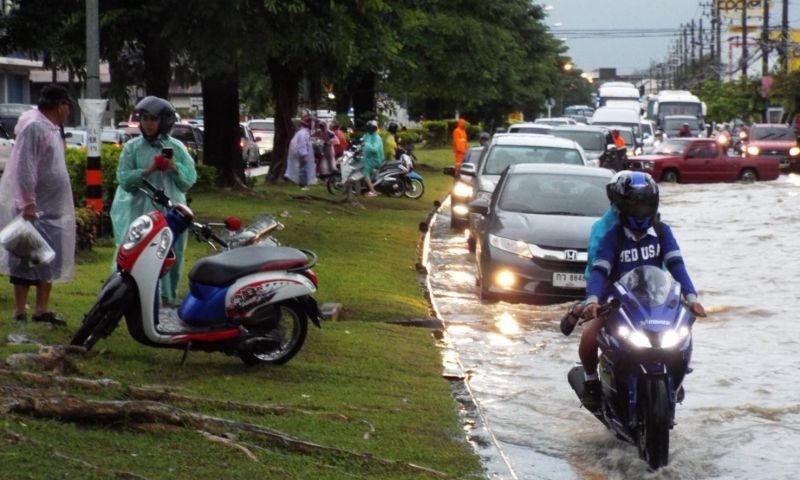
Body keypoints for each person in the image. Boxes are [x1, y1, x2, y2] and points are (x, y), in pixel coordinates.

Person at [578, 171, 706, 410]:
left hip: (654, 303)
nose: (640, 210)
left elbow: (677, 265)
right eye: (634, 205)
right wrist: (593, 300)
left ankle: (676, 379)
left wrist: (691, 297)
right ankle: (591, 381)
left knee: (683, 334)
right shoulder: (611, 237)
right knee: (589, 335)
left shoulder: (661, 232)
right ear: (622, 206)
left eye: (645, 204)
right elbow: (599, 271)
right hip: (617, 304)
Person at [110, 96, 197, 307]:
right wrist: (148, 170)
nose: (148, 124)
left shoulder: (176, 147)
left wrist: (174, 167)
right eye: (144, 119)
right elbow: (124, 179)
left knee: (171, 256)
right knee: (136, 254)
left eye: (153, 119)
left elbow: (189, 180)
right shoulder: (131, 148)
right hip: (140, 213)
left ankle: (168, 298)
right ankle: (131, 298)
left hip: (171, 213)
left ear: (164, 122)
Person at [0, 84, 76, 324]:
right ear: (60, 105)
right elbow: (25, 166)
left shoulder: (50, 127)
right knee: (25, 258)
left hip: (51, 209)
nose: (67, 110)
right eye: (66, 105)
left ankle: (41, 310)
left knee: (48, 259)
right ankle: (20, 310)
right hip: (33, 209)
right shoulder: (34, 126)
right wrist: (28, 203)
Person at [284, 115, 316, 189]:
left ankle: (302, 184)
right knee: (303, 170)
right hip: (302, 154)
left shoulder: (303, 132)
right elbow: (302, 144)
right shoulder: (303, 133)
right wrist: (304, 154)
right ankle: (303, 185)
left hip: (302, 153)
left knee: (303, 169)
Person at [361, 120, 384, 197]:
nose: (370, 129)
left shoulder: (376, 137)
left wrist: (366, 144)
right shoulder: (368, 135)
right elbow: (362, 142)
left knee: (365, 172)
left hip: (376, 158)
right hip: (369, 157)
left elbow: (375, 149)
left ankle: (372, 191)